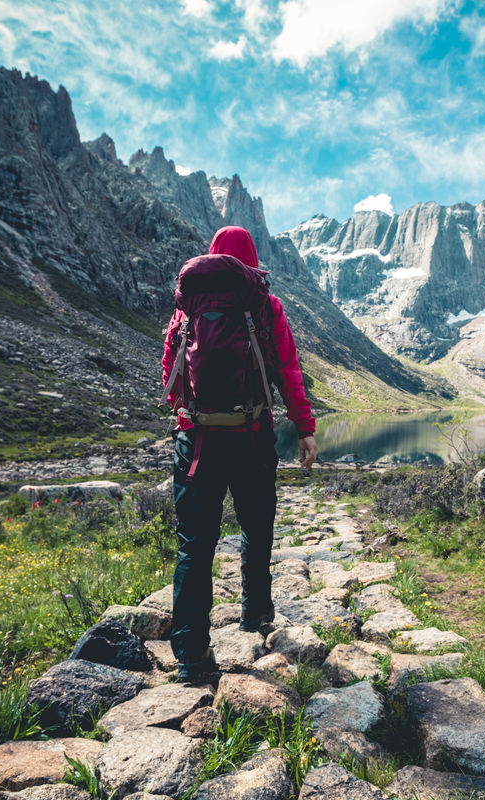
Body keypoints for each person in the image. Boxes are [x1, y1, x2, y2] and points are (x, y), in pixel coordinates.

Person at [161, 226, 317, 681]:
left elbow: (170, 364)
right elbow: (287, 367)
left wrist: (185, 413)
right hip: (251, 434)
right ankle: (257, 613)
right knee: (256, 524)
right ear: (251, 263)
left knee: (195, 543)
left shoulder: (188, 303)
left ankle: (191, 653)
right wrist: (303, 426)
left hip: (197, 440)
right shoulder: (265, 305)